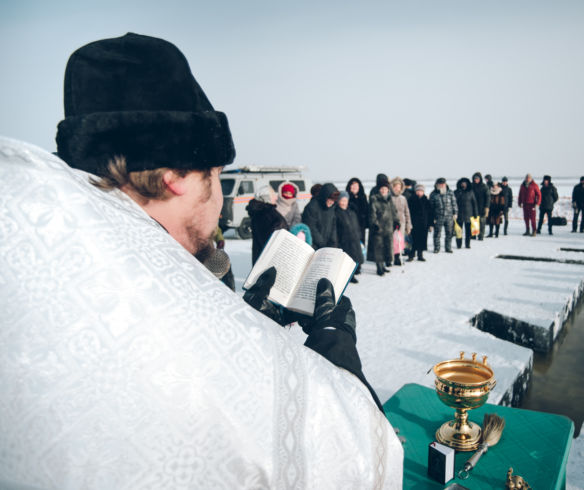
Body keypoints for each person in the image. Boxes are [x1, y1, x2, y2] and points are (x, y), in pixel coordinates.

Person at [0, 33, 400, 488]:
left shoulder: (48, 247)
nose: (219, 200)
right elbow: (353, 454)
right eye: (216, 175)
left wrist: (235, 319)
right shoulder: (166, 318)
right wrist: (336, 349)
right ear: (175, 177)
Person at [246, 186, 288, 265]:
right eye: (273, 195)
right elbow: (270, 241)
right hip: (271, 262)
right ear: (266, 198)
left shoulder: (260, 212)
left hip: (261, 260)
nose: (276, 198)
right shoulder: (266, 214)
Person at [369, 181, 399, 275]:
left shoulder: (390, 199)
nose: (383, 190)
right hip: (378, 229)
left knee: (387, 247)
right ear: (379, 190)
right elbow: (372, 214)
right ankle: (379, 267)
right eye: (382, 189)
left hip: (389, 228)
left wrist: (397, 222)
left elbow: (394, 212)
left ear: (388, 190)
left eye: (385, 189)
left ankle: (384, 266)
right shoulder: (374, 199)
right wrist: (375, 225)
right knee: (379, 249)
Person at [335, 192, 364, 282]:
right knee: (348, 260)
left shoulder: (351, 212)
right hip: (345, 240)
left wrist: (359, 235)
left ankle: (355, 270)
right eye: (342, 200)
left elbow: (356, 225)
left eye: (345, 200)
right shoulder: (337, 213)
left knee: (356, 257)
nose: (344, 202)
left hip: (354, 238)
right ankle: (350, 276)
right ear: (338, 201)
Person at [302, 182, 340, 249]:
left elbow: (333, 227)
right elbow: (311, 228)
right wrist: (322, 244)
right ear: (324, 196)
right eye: (330, 199)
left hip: (327, 246)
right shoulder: (311, 207)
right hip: (314, 246)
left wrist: (333, 244)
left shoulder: (331, 208)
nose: (332, 202)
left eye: (334, 200)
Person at [430, 177, 458, 253]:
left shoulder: (450, 192)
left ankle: (448, 248)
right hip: (438, 217)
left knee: (449, 233)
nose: (442, 185)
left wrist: (455, 213)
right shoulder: (433, 194)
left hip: (449, 217)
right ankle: (437, 248)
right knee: (437, 234)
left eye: (443, 184)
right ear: (437, 184)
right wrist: (432, 217)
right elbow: (431, 207)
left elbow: (454, 203)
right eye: (440, 184)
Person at [390, 177, 412, 266]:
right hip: (391, 223)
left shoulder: (403, 198)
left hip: (401, 223)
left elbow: (407, 212)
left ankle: (398, 258)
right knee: (392, 241)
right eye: (395, 186)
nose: (397, 188)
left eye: (399, 187)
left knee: (400, 241)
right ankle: (390, 258)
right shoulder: (389, 197)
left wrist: (408, 225)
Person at [407, 184, 432, 261]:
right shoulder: (411, 200)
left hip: (424, 224)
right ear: (415, 191)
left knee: (422, 240)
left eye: (421, 191)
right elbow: (408, 212)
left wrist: (431, 224)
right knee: (413, 240)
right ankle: (411, 255)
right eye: (418, 191)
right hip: (414, 223)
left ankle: (420, 255)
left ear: (423, 192)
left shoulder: (427, 201)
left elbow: (431, 213)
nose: (419, 192)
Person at [455, 177, 479, 248]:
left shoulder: (471, 192)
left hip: (469, 215)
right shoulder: (456, 192)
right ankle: (459, 244)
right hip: (459, 215)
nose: (463, 184)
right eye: (462, 183)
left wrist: (475, 214)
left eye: (465, 183)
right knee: (458, 231)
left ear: (467, 184)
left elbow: (474, 204)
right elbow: (453, 203)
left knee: (468, 232)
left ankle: (467, 244)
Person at [346, 177, 368, 243]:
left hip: (361, 228)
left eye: (356, 185)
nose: (354, 187)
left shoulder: (363, 198)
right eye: (352, 185)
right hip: (350, 229)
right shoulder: (347, 198)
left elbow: (367, 212)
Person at [471, 172, 491, 240]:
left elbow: (488, 197)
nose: (476, 180)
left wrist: (487, 207)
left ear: (480, 179)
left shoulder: (484, 186)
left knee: (482, 223)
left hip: (482, 207)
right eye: (474, 179)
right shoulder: (471, 186)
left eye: (477, 179)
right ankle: (473, 235)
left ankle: (481, 236)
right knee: (474, 222)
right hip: (473, 207)